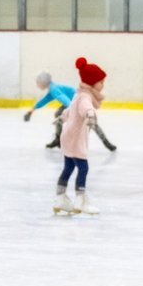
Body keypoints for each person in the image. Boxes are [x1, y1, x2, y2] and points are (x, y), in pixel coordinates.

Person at [53, 57, 107, 216]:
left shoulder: (79, 94)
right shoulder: (85, 97)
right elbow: (86, 108)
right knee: (83, 167)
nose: (103, 85)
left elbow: (69, 110)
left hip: (67, 137)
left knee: (69, 167)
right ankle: (80, 200)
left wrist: (61, 118)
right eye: (101, 82)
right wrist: (91, 116)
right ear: (92, 83)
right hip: (76, 139)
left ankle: (60, 198)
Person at [25, 71, 116, 151]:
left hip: (80, 101)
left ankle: (106, 142)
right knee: (58, 113)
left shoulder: (54, 89)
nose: (37, 84)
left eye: (38, 82)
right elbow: (44, 100)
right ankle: (58, 139)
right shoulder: (52, 88)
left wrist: (73, 112)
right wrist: (31, 111)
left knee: (90, 121)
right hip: (75, 101)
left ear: (43, 82)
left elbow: (65, 100)